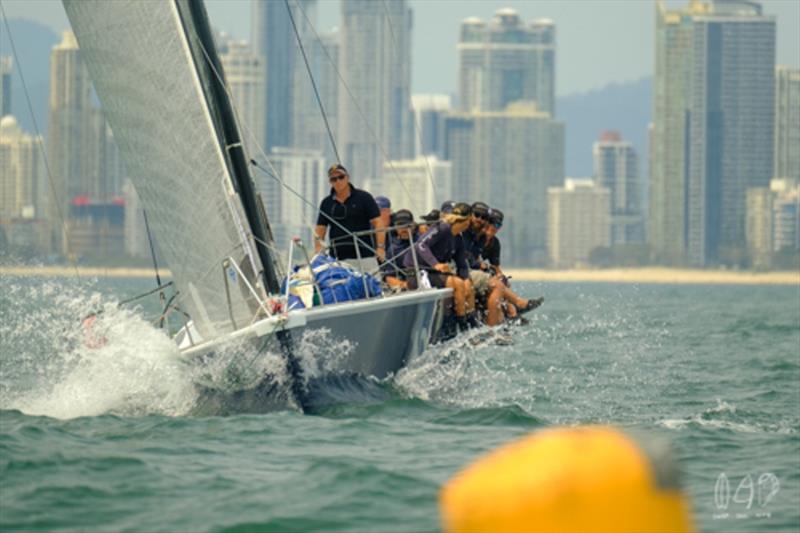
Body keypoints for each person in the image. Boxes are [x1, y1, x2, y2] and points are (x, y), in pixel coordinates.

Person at [404, 203, 475, 331]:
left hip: (435, 274)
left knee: (467, 284)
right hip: (418, 273)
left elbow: (462, 264)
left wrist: (466, 278)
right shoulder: (443, 228)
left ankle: (471, 323)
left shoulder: (458, 238)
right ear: (466, 220)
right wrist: (435, 264)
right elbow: (421, 245)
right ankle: (464, 328)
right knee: (457, 283)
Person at [315, 163, 385, 273]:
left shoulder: (364, 197)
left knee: (372, 287)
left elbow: (378, 222)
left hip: (365, 256)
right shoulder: (326, 203)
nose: (338, 181)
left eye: (341, 177)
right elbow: (320, 229)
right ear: (330, 182)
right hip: (338, 258)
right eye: (334, 179)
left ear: (347, 178)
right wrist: (319, 250)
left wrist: (380, 247)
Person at [480, 208, 543, 325]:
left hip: (484, 275)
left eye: (497, 225)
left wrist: (502, 278)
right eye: (491, 222)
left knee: (501, 281)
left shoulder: (495, 243)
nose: (493, 227)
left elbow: (496, 267)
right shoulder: (477, 238)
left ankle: (512, 313)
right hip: (475, 274)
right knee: (497, 285)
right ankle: (515, 309)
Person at [381, 209, 420, 290]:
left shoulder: (423, 241)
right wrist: (404, 285)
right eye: (400, 225)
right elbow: (389, 277)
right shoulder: (393, 249)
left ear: (413, 225)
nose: (404, 229)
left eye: (407, 225)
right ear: (395, 227)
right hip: (407, 286)